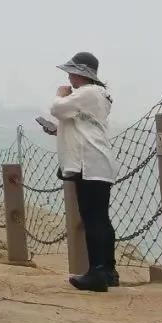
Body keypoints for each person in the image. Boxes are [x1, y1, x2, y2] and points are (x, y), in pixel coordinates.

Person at [47, 51, 119, 292]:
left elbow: (58, 109)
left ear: (81, 73)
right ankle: (108, 270)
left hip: (89, 164)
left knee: (93, 219)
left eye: (71, 72)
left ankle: (96, 273)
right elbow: (80, 124)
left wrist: (59, 95)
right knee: (101, 218)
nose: (69, 77)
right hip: (98, 162)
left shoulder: (87, 92)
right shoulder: (98, 95)